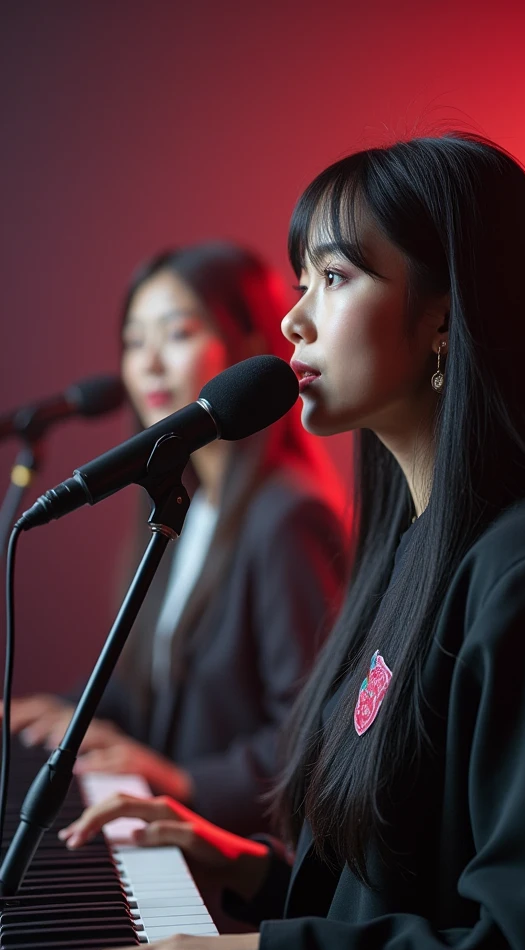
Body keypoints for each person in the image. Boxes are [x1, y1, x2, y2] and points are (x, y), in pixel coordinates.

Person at [28, 135, 525, 950]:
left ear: (450, 314)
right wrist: (253, 869)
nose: (295, 320)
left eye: (335, 278)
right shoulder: (417, 548)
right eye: (302, 280)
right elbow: (417, 886)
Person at [10, 241, 347, 834]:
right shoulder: (184, 504)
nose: (149, 364)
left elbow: (313, 732)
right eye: (134, 343)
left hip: (239, 858)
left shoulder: (286, 515)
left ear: (246, 348)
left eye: (177, 333)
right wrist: (66, 713)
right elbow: (151, 686)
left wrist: (184, 782)